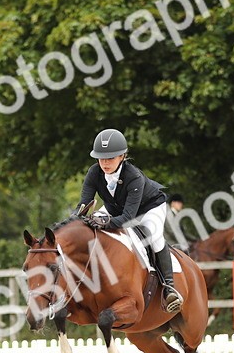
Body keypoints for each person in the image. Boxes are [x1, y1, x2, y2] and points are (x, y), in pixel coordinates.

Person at [73, 128, 183, 313]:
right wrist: (75, 221)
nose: (105, 163)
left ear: (122, 156)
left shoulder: (134, 177)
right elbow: (83, 205)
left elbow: (127, 219)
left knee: (154, 238)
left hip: (148, 208)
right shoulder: (94, 172)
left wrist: (105, 223)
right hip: (114, 207)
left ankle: (169, 288)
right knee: (89, 229)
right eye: (101, 158)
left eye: (110, 158)